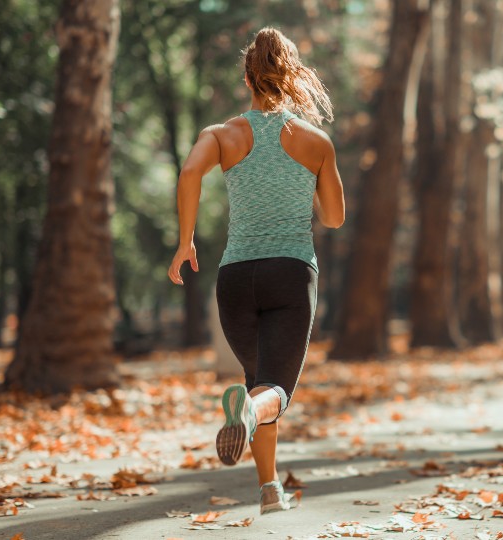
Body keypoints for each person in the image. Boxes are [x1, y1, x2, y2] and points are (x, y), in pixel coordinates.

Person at [167, 27, 345, 514]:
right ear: (291, 78)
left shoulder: (221, 135)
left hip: (235, 278)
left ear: (247, 78)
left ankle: (269, 490)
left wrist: (185, 241)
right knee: (275, 392)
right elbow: (333, 218)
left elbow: (188, 174)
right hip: (290, 273)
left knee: (259, 381)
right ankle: (246, 414)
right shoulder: (315, 141)